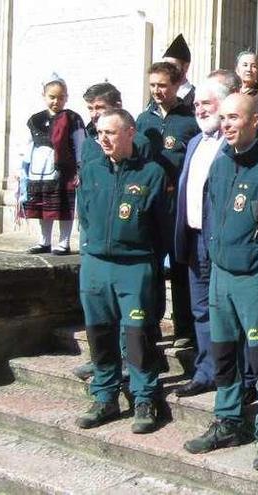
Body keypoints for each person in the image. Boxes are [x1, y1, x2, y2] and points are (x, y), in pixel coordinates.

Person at [183, 94, 258, 473]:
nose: (227, 124)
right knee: (222, 353)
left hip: (255, 279)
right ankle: (228, 419)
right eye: (224, 118)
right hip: (220, 276)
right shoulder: (219, 165)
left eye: (235, 117)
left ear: (255, 122)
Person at [73, 108, 171, 434]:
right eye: (99, 133)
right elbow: (84, 216)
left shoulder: (152, 173)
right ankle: (105, 395)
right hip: (96, 265)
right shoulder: (90, 170)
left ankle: (144, 397)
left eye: (110, 133)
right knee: (99, 334)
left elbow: (162, 225)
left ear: (130, 133)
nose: (103, 139)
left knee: (137, 335)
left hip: (135, 264)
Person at [71, 82, 152, 382]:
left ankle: (128, 360)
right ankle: (101, 360)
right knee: (100, 313)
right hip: (96, 236)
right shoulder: (92, 143)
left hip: (127, 243)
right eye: (91, 110)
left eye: (100, 109)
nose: (94, 117)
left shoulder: (138, 144)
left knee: (126, 313)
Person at [171, 78, 232, 398]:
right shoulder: (195, 142)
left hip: (220, 242)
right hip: (193, 238)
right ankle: (206, 371)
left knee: (225, 310)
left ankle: (231, 374)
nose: (199, 109)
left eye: (206, 103)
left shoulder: (233, 143)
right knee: (200, 310)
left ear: (223, 105)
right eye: (196, 104)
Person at [137, 61, 201, 347]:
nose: (157, 91)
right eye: (153, 85)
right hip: (151, 207)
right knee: (150, 268)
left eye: (162, 85)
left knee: (179, 267)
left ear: (176, 85)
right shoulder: (143, 119)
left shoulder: (189, 120)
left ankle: (184, 328)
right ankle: (150, 324)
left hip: (179, 206)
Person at [18, 75, 85, 256]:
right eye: (52, 97)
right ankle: (44, 241)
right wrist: (23, 168)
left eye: (61, 97)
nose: (57, 101)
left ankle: (64, 243)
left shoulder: (73, 118)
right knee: (43, 208)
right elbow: (28, 144)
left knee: (63, 207)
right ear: (44, 96)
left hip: (64, 170)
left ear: (66, 97)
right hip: (39, 170)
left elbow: (80, 143)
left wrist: (79, 167)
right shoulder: (35, 120)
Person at [162, 34, 196, 110]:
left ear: (186, 67)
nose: (167, 69)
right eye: (165, 65)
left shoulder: (196, 98)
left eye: (172, 65)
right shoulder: (159, 94)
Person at [237, 50, 258, 121]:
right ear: (237, 70)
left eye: (254, 66)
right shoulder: (232, 92)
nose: (249, 69)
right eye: (245, 65)